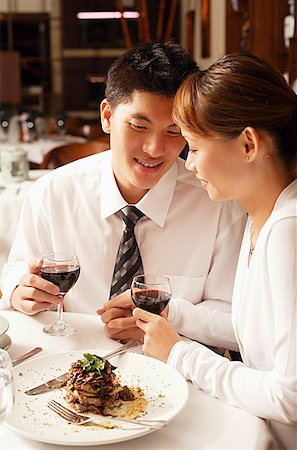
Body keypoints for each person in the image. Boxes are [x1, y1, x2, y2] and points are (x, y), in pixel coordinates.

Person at [0, 42, 246, 353]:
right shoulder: (53, 193)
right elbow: (17, 271)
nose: (155, 149)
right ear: (107, 116)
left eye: (174, 132)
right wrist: (18, 291)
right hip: (66, 363)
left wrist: (171, 319)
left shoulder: (218, 203)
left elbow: (234, 320)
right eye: (139, 126)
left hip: (178, 373)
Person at [130, 53, 297, 450]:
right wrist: (174, 315)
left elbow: (290, 396)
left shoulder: (288, 231)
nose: (188, 165)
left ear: (248, 144)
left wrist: (180, 355)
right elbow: (261, 336)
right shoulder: (260, 215)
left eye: (194, 148)